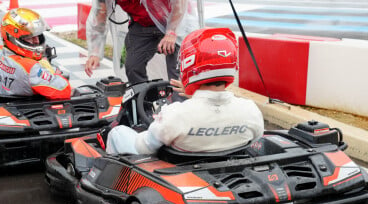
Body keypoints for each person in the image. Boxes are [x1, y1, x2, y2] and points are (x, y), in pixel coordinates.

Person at [106, 27, 264, 155]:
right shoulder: (250, 111)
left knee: (117, 132)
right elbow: (254, 138)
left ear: (189, 64)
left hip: (176, 173)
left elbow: (144, 147)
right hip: (229, 164)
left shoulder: (175, 114)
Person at [0, 8, 71, 101]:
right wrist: (52, 71)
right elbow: (64, 90)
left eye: (38, 36)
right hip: (26, 111)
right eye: (29, 37)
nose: (36, 41)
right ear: (13, 38)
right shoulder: (31, 69)